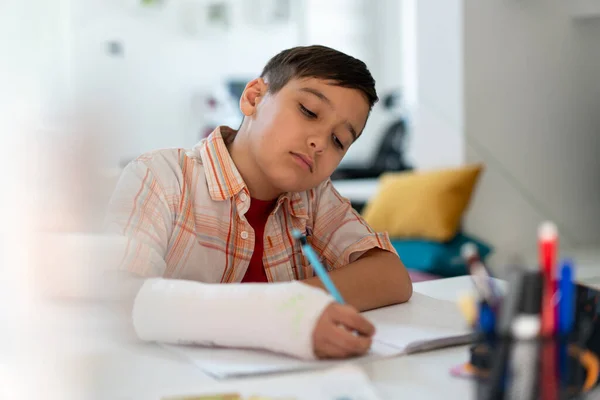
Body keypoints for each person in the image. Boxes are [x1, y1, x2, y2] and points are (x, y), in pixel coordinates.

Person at [105, 45, 413, 360]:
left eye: (339, 141)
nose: (319, 142)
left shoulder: (313, 198)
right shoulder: (161, 176)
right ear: (254, 97)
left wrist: (286, 309)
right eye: (308, 110)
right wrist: (274, 312)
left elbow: (392, 276)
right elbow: (120, 297)